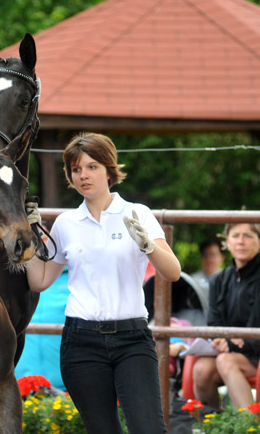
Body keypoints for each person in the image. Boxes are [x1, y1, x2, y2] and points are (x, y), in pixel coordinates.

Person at [26, 132, 181, 434]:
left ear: (110, 170)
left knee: (149, 428)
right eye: (75, 169)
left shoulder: (138, 213)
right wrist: (28, 238)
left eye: (92, 166)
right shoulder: (66, 223)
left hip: (132, 339)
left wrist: (148, 245)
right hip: (81, 341)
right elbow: (40, 281)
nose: (83, 175)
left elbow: (172, 272)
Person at [192, 222, 260, 409]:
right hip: (230, 349)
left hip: (255, 352)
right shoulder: (220, 279)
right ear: (227, 243)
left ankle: (249, 426)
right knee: (201, 369)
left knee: (225, 360)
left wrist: (235, 341)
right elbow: (214, 321)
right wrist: (220, 339)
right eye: (236, 236)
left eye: (248, 236)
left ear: (259, 241)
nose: (241, 242)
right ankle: (213, 423)